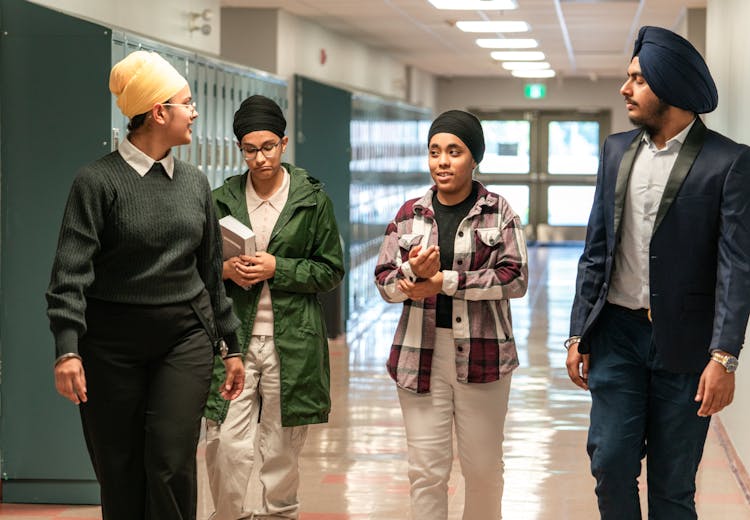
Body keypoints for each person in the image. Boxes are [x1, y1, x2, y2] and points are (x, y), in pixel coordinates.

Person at [45, 51, 245, 520]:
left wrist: (230, 345)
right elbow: (69, 273)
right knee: (120, 468)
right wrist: (67, 349)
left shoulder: (195, 182)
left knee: (172, 461)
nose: (194, 112)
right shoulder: (97, 182)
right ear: (159, 112)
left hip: (184, 336)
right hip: (110, 344)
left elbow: (210, 269)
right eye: (187, 103)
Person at [566, 26, 750, 519]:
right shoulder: (615, 150)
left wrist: (724, 357)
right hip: (617, 337)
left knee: (672, 487)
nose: (625, 89)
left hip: (686, 348)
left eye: (638, 80)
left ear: (670, 86)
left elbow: (737, 266)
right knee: (610, 465)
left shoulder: (728, 162)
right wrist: (576, 333)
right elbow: (595, 249)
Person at [374, 110, 528, 520]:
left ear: (473, 158)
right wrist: (411, 273)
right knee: (425, 471)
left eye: (454, 152)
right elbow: (385, 282)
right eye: (435, 152)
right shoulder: (409, 214)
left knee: (483, 470)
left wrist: (445, 281)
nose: (442, 161)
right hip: (418, 355)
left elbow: (515, 279)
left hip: (483, 357)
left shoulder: (499, 212)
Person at [203, 94, 345, 520]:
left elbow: (330, 270)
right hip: (234, 341)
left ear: (283, 144)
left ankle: (280, 515)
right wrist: (227, 270)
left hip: (292, 340)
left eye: (268, 147)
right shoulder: (220, 199)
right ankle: (227, 516)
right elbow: (198, 268)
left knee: (281, 447)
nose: (260, 158)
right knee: (226, 442)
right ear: (239, 150)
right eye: (250, 150)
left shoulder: (311, 199)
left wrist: (277, 268)